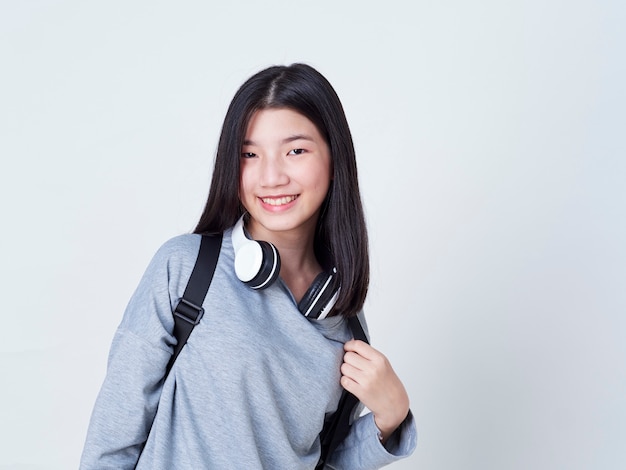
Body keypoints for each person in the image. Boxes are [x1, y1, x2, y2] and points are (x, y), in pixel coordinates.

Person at [80, 63, 417, 469]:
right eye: (249, 154)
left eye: (295, 150)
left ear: (334, 157)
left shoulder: (342, 317)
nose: (271, 177)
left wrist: (390, 417)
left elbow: (323, 460)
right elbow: (114, 435)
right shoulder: (187, 269)